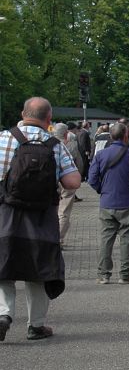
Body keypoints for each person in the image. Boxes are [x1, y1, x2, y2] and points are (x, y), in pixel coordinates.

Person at [0, 97, 82, 342]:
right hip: (41, 217)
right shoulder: (54, 144)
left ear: (22, 113)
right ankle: (36, 326)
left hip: (5, 214)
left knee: (3, 268)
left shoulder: (3, 138)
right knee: (38, 270)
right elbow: (73, 182)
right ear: (49, 119)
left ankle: (3, 315)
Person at [88, 122, 129, 284]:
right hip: (127, 202)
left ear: (111, 136)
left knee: (106, 239)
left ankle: (104, 274)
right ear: (126, 136)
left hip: (107, 202)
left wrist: (102, 190)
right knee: (127, 239)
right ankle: (125, 275)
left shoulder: (101, 155)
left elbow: (91, 179)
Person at [53, 123, 86, 245]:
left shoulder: (47, 144)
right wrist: (79, 177)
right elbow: (79, 163)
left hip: (52, 181)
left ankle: (51, 236)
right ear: (66, 133)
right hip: (68, 180)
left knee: (53, 210)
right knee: (64, 211)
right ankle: (58, 239)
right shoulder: (71, 145)